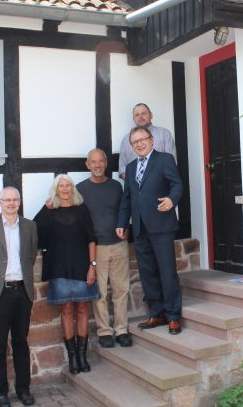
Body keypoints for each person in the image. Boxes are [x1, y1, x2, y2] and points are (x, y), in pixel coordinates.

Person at [116, 127, 184, 335]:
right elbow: (127, 198)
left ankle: (173, 315)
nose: (139, 144)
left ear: (152, 140)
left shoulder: (164, 159)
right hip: (139, 227)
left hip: (161, 225)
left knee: (167, 271)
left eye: (142, 139)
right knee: (147, 273)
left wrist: (171, 200)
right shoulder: (130, 167)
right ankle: (157, 313)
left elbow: (177, 185)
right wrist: (122, 223)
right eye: (135, 142)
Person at [0, 186, 37, 407]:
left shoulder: (30, 226)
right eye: (7, 200)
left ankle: (23, 389)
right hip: (0, 293)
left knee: (21, 342)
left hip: (22, 291)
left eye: (14, 199)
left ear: (19, 202)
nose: (11, 203)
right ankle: (0, 393)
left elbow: (31, 257)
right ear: (0, 203)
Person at [34, 175, 99, 375]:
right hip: (59, 268)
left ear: (72, 188)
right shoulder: (50, 211)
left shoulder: (81, 209)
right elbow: (34, 229)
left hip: (82, 267)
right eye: (61, 186)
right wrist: (45, 208)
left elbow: (91, 239)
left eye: (68, 185)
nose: (64, 189)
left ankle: (82, 355)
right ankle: (72, 357)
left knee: (82, 309)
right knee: (67, 310)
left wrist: (93, 266)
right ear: (56, 189)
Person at [77, 148, 132, 348]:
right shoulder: (80, 189)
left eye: (101, 161)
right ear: (87, 165)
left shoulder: (116, 186)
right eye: (93, 162)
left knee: (121, 289)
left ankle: (121, 330)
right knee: (99, 292)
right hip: (96, 248)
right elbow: (76, 217)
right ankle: (104, 331)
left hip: (118, 244)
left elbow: (125, 210)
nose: (98, 165)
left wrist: (126, 229)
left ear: (106, 163)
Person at [118, 103, 177, 179]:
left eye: (144, 113)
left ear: (151, 115)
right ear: (133, 118)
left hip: (161, 185)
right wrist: (134, 183)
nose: (140, 117)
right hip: (135, 185)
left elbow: (171, 163)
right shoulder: (126, 139)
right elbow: (122, 169)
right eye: (137, 115)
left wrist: (154, 182)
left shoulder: (164, 134)